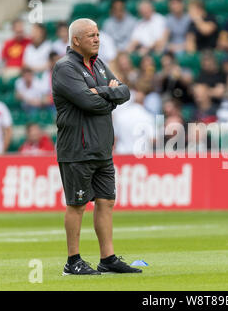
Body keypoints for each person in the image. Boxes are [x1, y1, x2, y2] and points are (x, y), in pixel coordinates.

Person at [51, 18, 138, 275]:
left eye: (98, 34)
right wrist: (108, 95)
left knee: (106, 201)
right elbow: (88, 103)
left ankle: (107, 258)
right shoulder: (65, 68)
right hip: (77, 148)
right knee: (77, 204)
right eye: (91, 35)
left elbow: (124, 92)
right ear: (76, 40)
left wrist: (101, 93)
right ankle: (72, 261)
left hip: (101, 148)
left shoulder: (99, 64)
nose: (97, 39)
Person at [113, 81, 155, 155]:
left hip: (122, 154)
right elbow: (153, 139)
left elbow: (114, 139)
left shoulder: (120, 115)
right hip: (141, 155)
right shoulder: (148, 116)